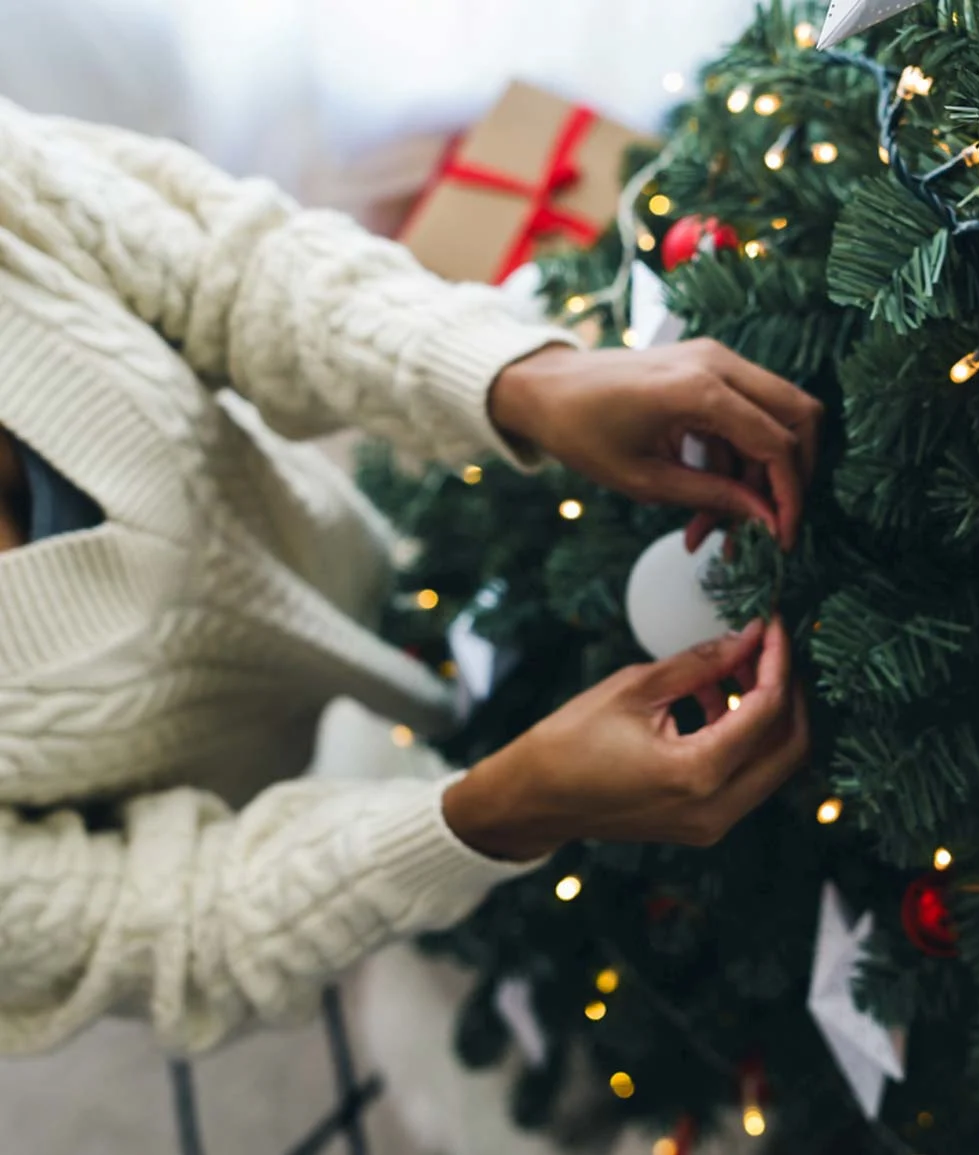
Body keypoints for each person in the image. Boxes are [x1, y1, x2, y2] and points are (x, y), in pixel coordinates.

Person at [0, 95, 818, 1056]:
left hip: (353, 534)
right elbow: (168, 930)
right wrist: (508, 809)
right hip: (276, 794)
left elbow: (230, 270)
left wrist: (519, 380)